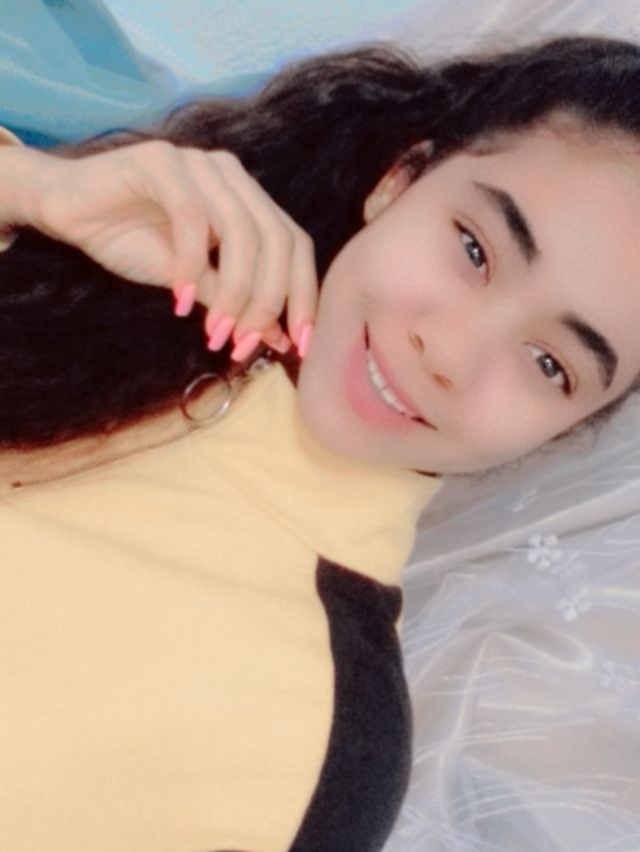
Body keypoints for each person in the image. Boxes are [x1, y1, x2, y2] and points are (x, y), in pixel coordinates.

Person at [3, 32, 640, 852]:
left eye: (550, 365)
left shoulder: (317, 751)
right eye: (474, 249)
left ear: (565, 429)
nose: (450, 354)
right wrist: (29, 191)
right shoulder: (123, 263)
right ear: (399, 180)